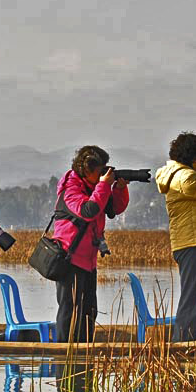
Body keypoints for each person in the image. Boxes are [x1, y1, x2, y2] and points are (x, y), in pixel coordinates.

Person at [52, 146, 129, 343]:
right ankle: (64, 357)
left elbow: (113, 209)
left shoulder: (94, 187)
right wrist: (104, 185)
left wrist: (119, 189)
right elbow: (88, 211)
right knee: (70, 311)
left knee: (88, 312)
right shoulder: (70, 188)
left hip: (88, 260)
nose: (104, 174)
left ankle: (84, 355)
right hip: (69, 258)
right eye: (100, 170)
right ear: (86, 170)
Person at [154, 132, 196, 341]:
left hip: (192, 241)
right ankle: (184, 341)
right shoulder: (184, 177)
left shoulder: (181, 174)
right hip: (190, 242)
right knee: (195, 296)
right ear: (195, 157)